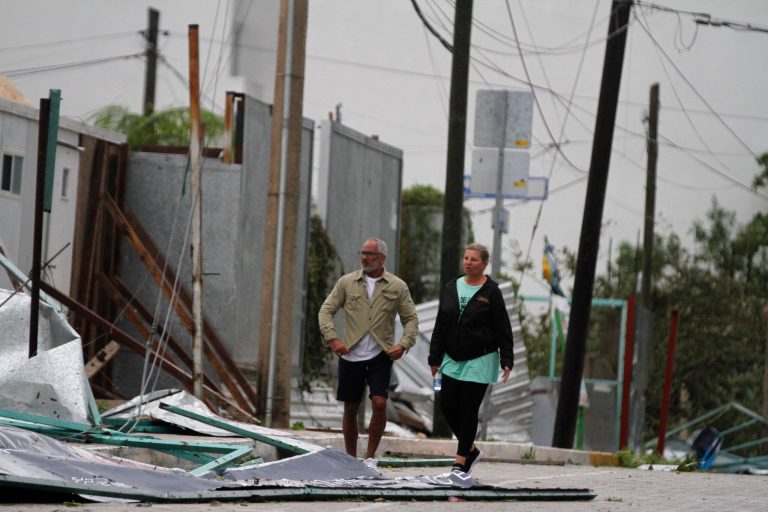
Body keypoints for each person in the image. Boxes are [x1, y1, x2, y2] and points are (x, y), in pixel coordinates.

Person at [318, 238, 419, 471]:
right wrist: (332, 338)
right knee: (351, 407)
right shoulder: (347, 282)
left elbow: (411, 319)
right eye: (362, 253)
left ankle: (370, 457)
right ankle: (350, 459)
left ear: (382, 258)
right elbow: (326, 310)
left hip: (380, 355)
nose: (364, 258)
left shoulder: (397, 286)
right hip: (350, 354)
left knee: (380, 403)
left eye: (370, 254)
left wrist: (403, 344)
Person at [428, 243, 514, 474]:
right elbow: (440, 324)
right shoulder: (451, 287)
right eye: (466, 258)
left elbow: (503, 328)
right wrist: (434, 357)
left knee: (468, 409)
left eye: (473, 259)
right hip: (451, 357)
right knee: (447, 406)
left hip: (480, 359)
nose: (468, 262)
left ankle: (460, 462)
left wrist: (507, 359)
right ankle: (471, 449)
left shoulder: (492, 293)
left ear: (484, 264)